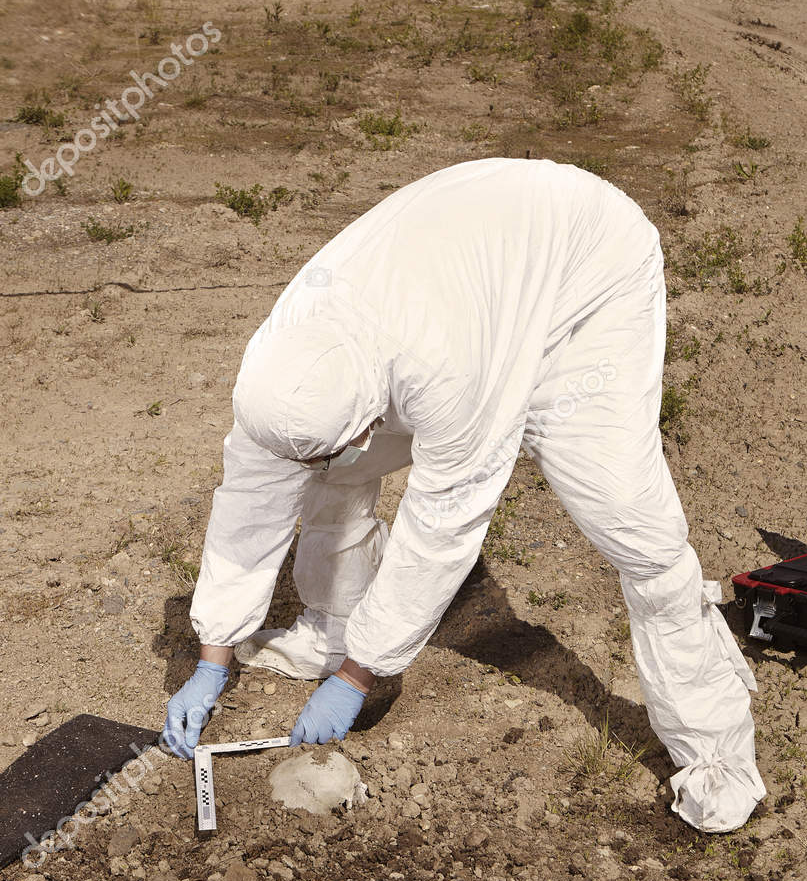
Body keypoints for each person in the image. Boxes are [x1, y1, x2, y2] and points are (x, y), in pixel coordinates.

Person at [160, 157, 764, 832]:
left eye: (340, 442)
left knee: (627, 514)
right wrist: (213, 654)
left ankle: (715, 751)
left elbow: (442, 524)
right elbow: (249, 502)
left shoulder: (445, 375)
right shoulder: (279, 373)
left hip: (584, 267)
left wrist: (361, 675)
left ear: (368, 417)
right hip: (475, 261)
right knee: (327, 471)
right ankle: (334, 628)